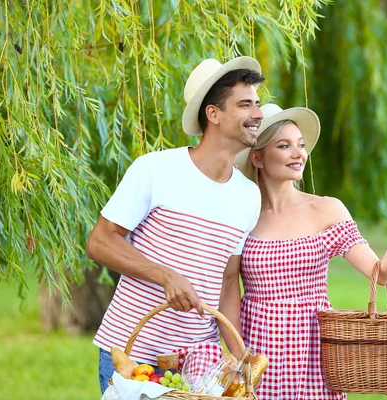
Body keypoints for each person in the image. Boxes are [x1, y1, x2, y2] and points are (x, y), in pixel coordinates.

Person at [233, 104, 387, 400]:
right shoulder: (242, 216)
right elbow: (227, 289)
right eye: (284, 146)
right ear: (257, 157)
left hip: (310, 348)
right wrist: (240, 355)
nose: (298, 154)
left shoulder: (326, 209)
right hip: (257, 346)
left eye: (301, 145)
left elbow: (381, 273)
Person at [86, 56, 266, 394]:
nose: (258, 114)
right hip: (132, 356)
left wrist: (241, 357)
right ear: (213, 114)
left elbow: (228, 281)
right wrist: (165, 275)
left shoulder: (248, 195)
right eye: (245, 105)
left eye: (257, 103)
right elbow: (100, 241)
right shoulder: (155, 169)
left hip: (200, 363)